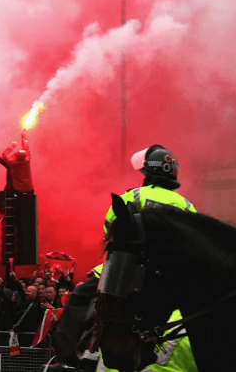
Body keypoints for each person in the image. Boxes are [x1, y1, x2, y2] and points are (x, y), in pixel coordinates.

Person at [50, 145, 198, 372]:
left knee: (79, 299)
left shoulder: (133, 196)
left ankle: (69, 361)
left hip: (127, 271)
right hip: (170, 277)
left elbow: (109, 227)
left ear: (147, 173)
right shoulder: (188, 206)